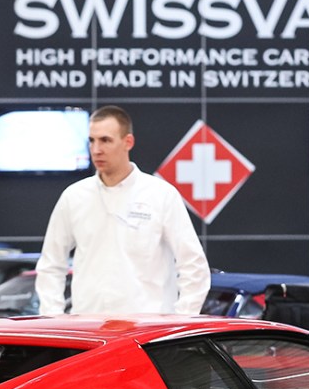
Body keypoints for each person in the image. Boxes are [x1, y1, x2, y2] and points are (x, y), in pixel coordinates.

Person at [35, 105, 210, 316]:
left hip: (149, 333)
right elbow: (51, 265)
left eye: (105, 140)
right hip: (89, 328)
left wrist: (179, 322)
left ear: (128, 142)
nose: (96, 149)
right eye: (92, 140)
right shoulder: (74, 196)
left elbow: (194, 266)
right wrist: (54, 318)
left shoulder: (161, 194)